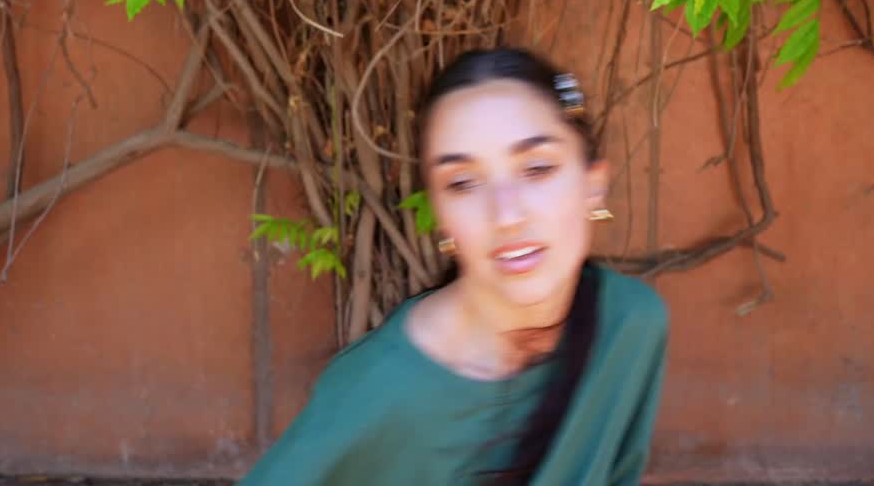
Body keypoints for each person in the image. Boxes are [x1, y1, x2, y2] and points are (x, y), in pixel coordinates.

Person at [241, 47, 669, 485]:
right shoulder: (382, 389)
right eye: (463, 183)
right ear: (441, 216)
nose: (506, 215)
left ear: (593, 186)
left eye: (537, 169)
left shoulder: (630, 324)